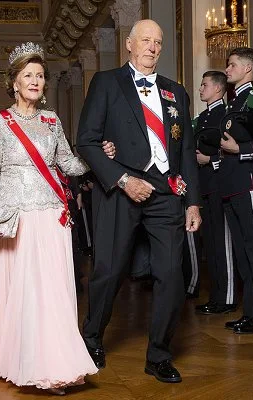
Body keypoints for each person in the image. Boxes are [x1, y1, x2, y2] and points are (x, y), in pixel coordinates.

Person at [0, 42, 115, 395]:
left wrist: (97, 156)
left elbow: (69, 165)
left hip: (52, 216)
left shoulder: (51, 120)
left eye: (40, 75)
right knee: (20, 292)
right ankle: (11, 360)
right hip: (17, 218)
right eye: (28, 75)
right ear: (13, 82)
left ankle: (53, 365)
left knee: (52, 293)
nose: (35, 80)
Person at [77, 19, 201, 384]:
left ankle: (159, 354)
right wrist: (123, 179)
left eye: (158, 41)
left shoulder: (176, 91)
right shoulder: (106, 82)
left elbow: (188, 149)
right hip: (122, 188)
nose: (152, 46)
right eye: (145, 40)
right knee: (109, 271)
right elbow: (86, 141)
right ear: (129, 44)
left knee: (171, 275)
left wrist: (193, 202)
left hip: (167, 192)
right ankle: (91, 338)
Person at [218, 47, 253, 334]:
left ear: (247, 70)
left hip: (250, 180)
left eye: (232, 65)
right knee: (242, 251)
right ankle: (251, 311)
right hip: (231, 184)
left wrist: (240, 150)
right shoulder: (234, 102)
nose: (227, 70)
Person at [192, 70, 238, 314]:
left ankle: (227, 297)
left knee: (223, 242)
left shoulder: (225, 114)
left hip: (220, 182)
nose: (200, 89)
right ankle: (217, 295)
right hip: (205, 186)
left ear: (219, 89)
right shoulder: (202, 117)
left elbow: (233, 149)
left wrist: (209, 159)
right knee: (210, 243)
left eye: (205, 85)